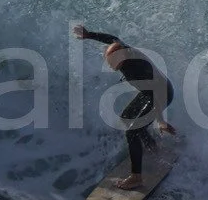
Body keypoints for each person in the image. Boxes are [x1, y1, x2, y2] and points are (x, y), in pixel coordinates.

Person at [74, 25, 174, 189]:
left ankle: (136, 178)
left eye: (113, 63)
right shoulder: (121, 48)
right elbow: (110, 38)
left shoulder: (138, 69)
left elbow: (156, 95)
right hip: (149, 91)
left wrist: (161, 121)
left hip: (161, 94)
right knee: (127, 118)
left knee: (132, 131)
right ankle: (152, 147)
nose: (110, 66)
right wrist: (88, 34)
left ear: (123, 58)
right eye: (109, 61)